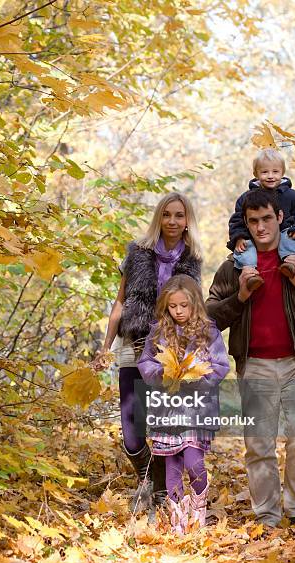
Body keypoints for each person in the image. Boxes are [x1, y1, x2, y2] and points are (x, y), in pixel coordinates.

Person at [206, 189, 295, 528]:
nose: (260, 227)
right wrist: (240, 295)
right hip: (254, 364)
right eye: (252, 221)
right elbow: (209, 317)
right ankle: (267, 517)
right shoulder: (235, 265)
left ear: (280, 217)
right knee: (258, 445)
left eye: (267, 218)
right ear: (246, 224)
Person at [92, 192, 202, 519]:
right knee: (131, 433)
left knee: (165, 429)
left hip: (170, 351)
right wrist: (105, 346)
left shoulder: (191, 260)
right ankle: (149, 476)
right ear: (159, 217)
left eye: (179, 215)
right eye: (167, 214)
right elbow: (119, 302)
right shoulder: (138, 253)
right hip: (134, 345)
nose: (172, 221)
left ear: (186, 220)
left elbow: (194, 309)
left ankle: (160, 495)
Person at [138, 275, 229, 534]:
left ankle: (198, 508)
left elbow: (221, 365)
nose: (178, 311)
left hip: (197, 408)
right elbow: (146, 363)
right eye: (173, 306)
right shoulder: (157, 332)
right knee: (172, 465)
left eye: (183, 305)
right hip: (166, 408)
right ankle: (178, 518)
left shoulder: (209, 332)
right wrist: (161, 375)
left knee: (193, 461)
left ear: (195, 304)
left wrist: (199, 379)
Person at [227, 148, 295, 290]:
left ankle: (291, 266)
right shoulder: (246, 198)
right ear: (255, 174)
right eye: (264, 172)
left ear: (282, 172)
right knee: (245, 250)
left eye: (275, 172)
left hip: (288, 233)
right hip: (256, 239)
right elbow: (237, 220)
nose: (270, 176)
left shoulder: (292, 196)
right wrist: (238, 238)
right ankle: (250, 276)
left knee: (290, 242)